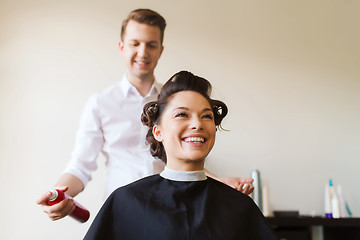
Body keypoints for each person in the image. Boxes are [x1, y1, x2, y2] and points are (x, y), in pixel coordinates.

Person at [37, 9, 254, 221]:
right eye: (135, 43)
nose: (143, 52)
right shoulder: (100, 102)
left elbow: (185, 158)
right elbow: (80, 166)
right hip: (123, 212)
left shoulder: (178, 102)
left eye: (151, 45)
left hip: (172, 210)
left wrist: (220, 183)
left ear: (160, 50)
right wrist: (59, 194)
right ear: (122, 47)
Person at [83, 71, 277, 240]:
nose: (197, 124)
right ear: (158, 132)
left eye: (206, 116)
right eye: (182, 114)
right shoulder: (125, 202)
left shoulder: (239, 206)